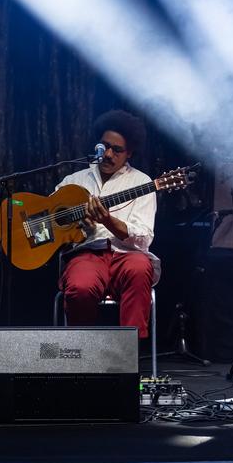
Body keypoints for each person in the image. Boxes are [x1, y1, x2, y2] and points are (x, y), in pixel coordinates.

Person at [54, 110, 158, 338]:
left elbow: (143, 237)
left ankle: (128, 358)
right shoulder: (73, 182)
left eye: (117, 150)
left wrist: (107, 221)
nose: (109, 154)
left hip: (127, 254)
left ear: (129, 153)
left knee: (140, 269)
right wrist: (81, 226)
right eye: (105, 146)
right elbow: (53, 222)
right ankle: (83, 352)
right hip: (87, 253)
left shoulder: (142, 183)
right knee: (80, 286)